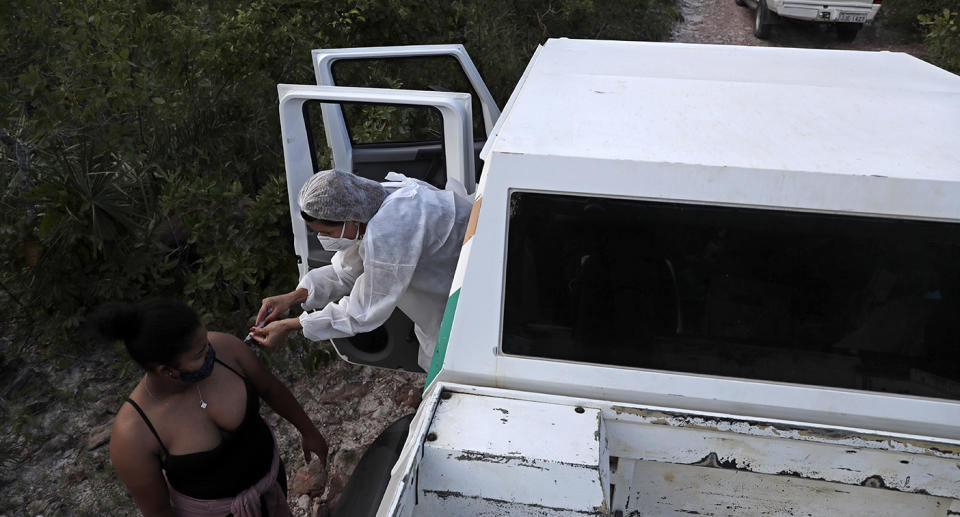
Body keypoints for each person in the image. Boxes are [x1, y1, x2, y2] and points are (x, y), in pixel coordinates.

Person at [91, 298, 327, 517]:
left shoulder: (225, 349)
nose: (211, 350)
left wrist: (308, 431)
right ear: (166, 370)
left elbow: (270, 389)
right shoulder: (134, 433)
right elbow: (159, 512)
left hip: (271, 484)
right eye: (200, 353)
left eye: (206, 340)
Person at [250, 169, 471, 371]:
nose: (324, 239)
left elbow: (361, 312)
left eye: (328, 232)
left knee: (455, 365)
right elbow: (346, 271)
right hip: (452, 286)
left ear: (351, 221)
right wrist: (292, 298)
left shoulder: (390, 232)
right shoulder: (374, 200)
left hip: (464, 302)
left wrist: (290, 325)